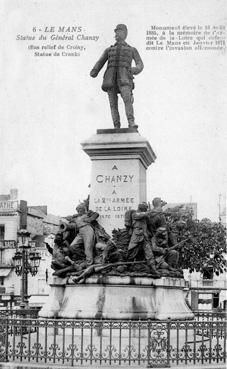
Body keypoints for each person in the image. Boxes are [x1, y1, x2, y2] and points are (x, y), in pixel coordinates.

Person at [90, 24, 144, 128]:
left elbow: (140, 64)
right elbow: (100, 61)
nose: (117, 34)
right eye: (116, 32)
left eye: (120, 31)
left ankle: (131, 123)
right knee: (113, 104)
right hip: (110, 80)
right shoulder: (109, 50)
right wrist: (94, 71)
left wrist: (134, 69)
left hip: (125, 79)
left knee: (127, 100)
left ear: (125, 33)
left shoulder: (132, 49)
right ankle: (116, 125)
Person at [125, 202, 160, 277]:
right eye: (145, 208)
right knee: (131, 253)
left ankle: (153, 270)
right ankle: (126, 267)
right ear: (141, 208)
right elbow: (140, 215)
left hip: (144, 237)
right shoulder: (134, 214)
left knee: (149, 254)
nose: (146, 209)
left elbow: (149, 222)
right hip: (136, 236)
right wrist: (148, 212)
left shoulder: (145, 216)